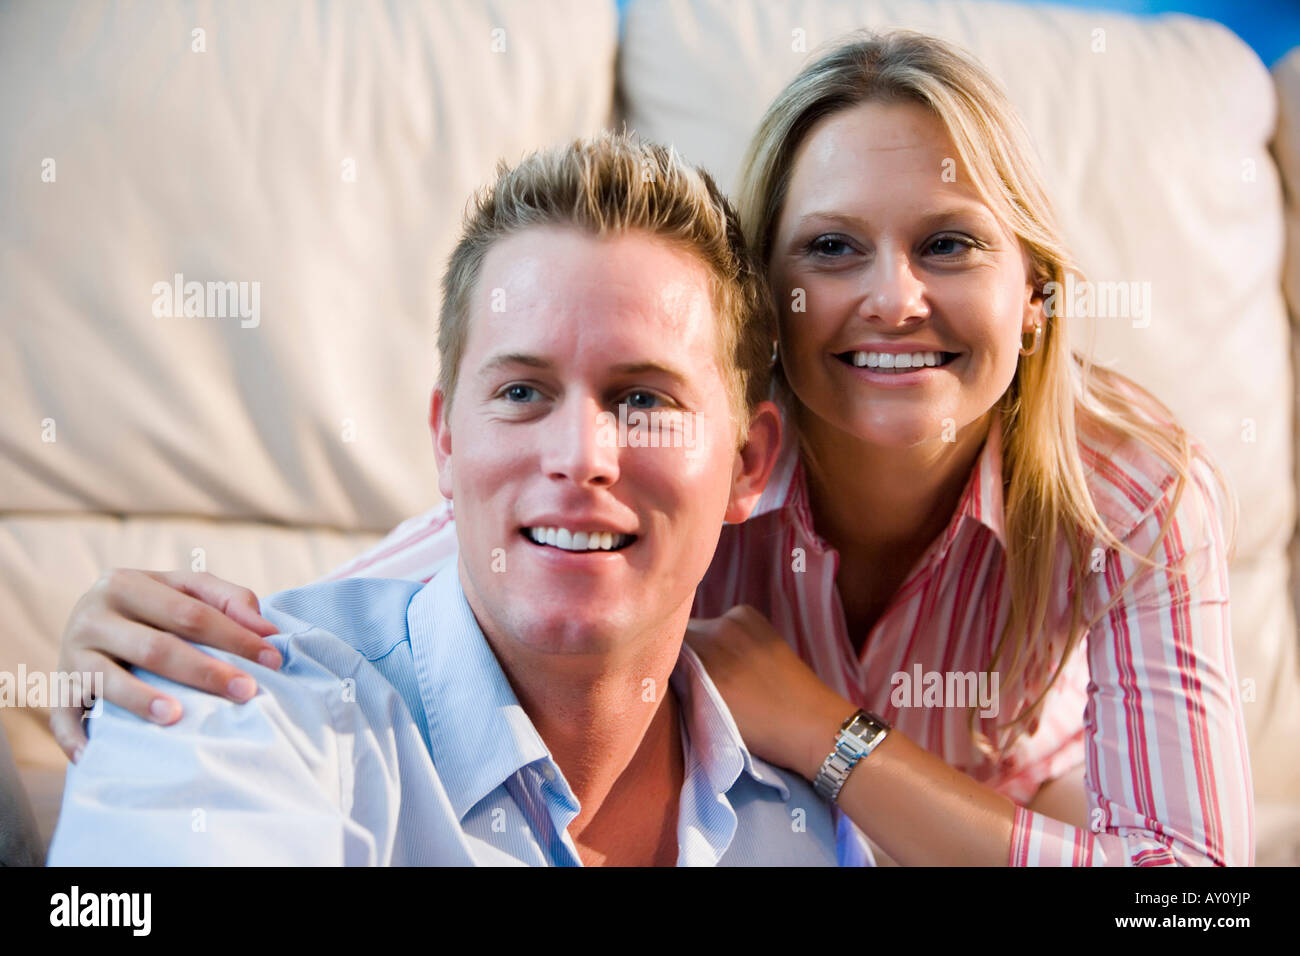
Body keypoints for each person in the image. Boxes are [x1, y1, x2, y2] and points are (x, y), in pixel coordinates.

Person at [53, 30, 1253, 866]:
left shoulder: (1127, 487)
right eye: (831, 249)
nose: (891, 298)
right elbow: (433, 586)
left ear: (1035, 291)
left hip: (990, 802)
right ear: (768, 313)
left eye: (947, 244)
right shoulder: (672, 456)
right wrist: (133, 653)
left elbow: (1188, 892)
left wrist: (824, 733)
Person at [47, 133, 873, 866]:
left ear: (748, 464)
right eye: (521, 392)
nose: (579, 458)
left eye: (644, 401)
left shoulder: (809, 824)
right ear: (446, 440)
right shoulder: (244, 700)